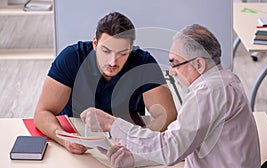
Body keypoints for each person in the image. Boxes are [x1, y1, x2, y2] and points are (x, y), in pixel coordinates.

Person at [81, 24, 262, 168]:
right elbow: (180, 145)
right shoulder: (224, 82)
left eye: (175, 64)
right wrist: (134, 158)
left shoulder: (209, 92)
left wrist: (111, 124)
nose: (172, 73)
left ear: (199, 64)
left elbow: (171, 149)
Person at [34, 12, 177, 154]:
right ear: (95, 43)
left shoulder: (143, 63)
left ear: (131, 48)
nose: (113, 62)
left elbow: (168, 116)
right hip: (77, 141)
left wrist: (138, 142)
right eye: (106, 51)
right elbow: (43, 112)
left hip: (126, 142)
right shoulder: (71, 58)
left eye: (122, 53)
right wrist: (64, 139)